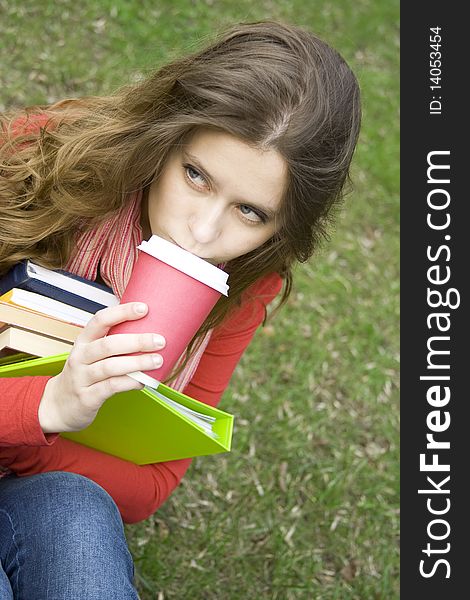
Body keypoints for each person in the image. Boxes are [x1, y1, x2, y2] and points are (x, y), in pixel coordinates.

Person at [0, 20, 361, 599]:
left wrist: (46, 425)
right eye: (195, 175)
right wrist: (46, 406)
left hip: (41, 484)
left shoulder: (245, 282)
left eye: (250, 212)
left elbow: (152, 485)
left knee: (78, 518)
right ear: (163, 138)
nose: (202, 229)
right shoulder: (41, 163)